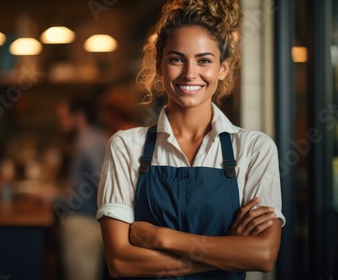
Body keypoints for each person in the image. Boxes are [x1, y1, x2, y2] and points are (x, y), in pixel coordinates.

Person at [97, 0, 286, 279]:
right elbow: (121, 263)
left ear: (223, 68)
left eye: (204, 60)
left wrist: (162, 238)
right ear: (159, 66)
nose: (189, 73)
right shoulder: (126, 146)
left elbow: (263, 255)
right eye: (176, 59)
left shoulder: (255, 149)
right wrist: (229, 251)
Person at [44, 96, 108, 280]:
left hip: (84, 226)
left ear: (79, 117)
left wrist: (53, 198)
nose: (61, 124)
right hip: (87, 224)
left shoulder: (89, 145)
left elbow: (103, 187)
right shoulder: (93, 138)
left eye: (63, 118)